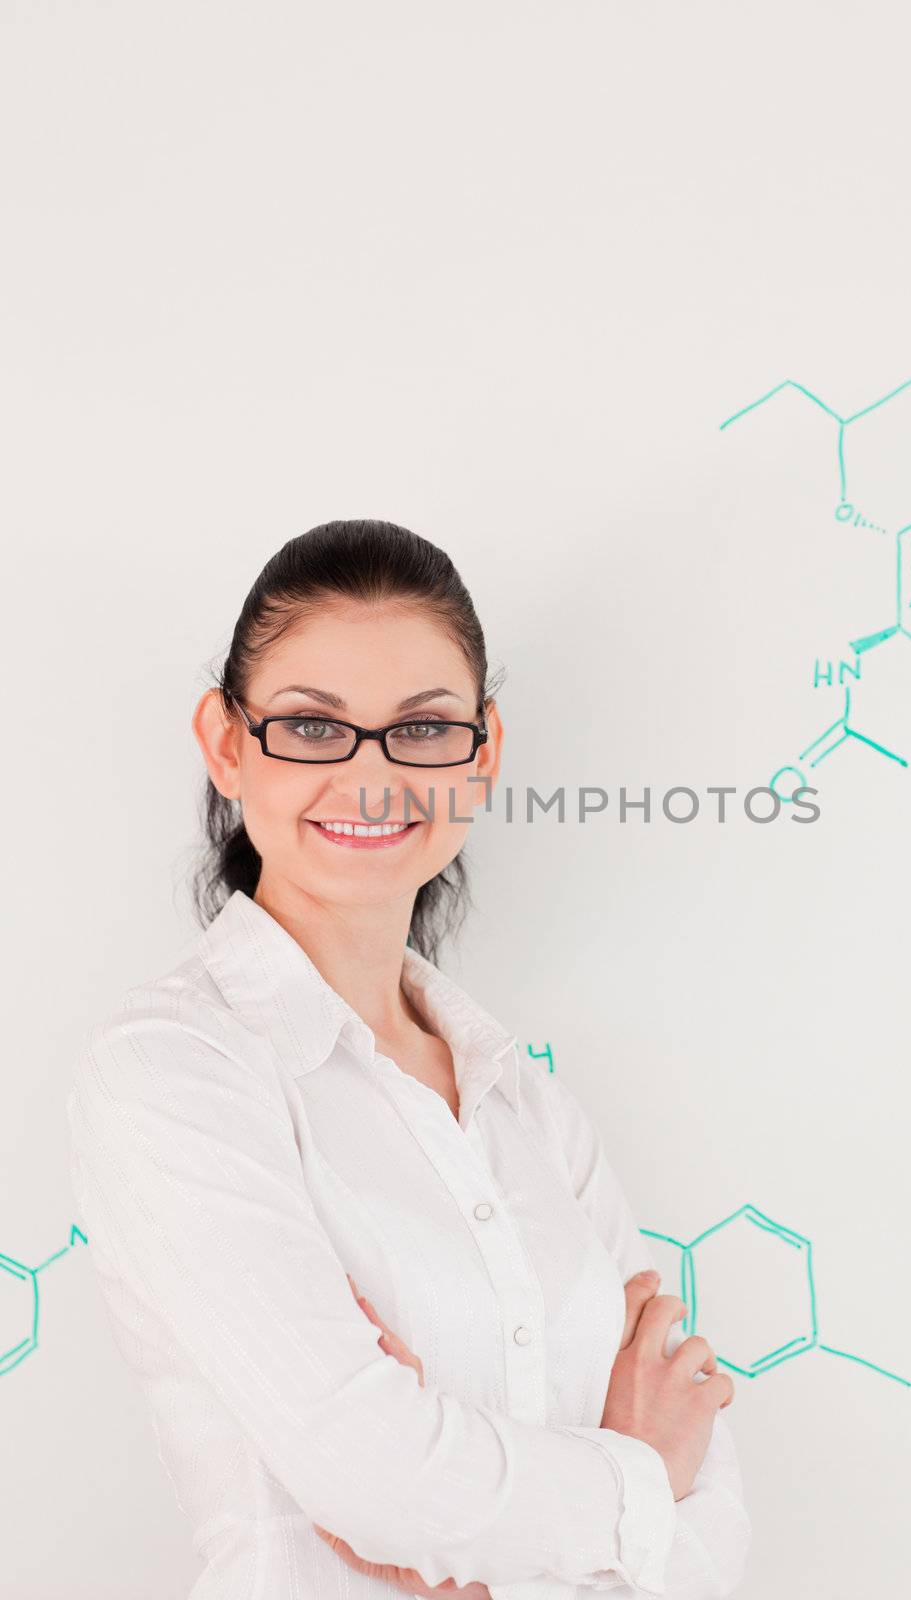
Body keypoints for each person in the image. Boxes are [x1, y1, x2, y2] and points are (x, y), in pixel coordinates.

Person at [65, 519, 751, 1599]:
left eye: (423, 729)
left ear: (481, 755)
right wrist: (635, 1481)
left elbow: (713, 1506)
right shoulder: (174, 1069)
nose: (372, 775)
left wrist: (522, 1514)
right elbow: (372, 1473)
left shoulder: (527, 1104)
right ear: (227, 742)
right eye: (310, 726)